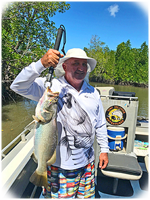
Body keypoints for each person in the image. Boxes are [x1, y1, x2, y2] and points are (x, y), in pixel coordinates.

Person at [10, 48, 109, 198]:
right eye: (76, 63)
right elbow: (17, 85)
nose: (81, 68)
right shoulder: (50, 86)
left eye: (84, 64)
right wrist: (41, 64)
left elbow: (100, 123)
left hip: (88, 163)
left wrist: (104, 150)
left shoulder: (93, 92)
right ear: (64, 66)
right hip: (60, 168)